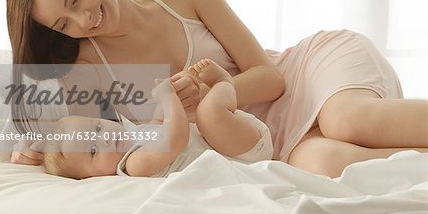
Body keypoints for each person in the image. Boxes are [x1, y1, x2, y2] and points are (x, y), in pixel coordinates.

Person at [6, 0, 427, 178]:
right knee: (325, 165)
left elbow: (271, 78)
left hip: (305, 75)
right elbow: (76, 142)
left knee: (347, 122)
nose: (83, 20)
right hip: (270, 144)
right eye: (64, 23)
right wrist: (29, 148)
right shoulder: (87, 66)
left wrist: (212, 96)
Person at [42, 58, 273, 179]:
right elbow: (176, 138)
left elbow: (157, 125)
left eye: (98, 128)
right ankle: (224, 82)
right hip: (243, 152)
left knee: (207, 117)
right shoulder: (133, 164)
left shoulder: (134, 138)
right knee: (207, 114)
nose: (104, 139)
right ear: (89, 178)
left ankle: (222, 89)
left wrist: (167, 93)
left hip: (235, 141)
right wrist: (167, 97)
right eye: (93, 150)